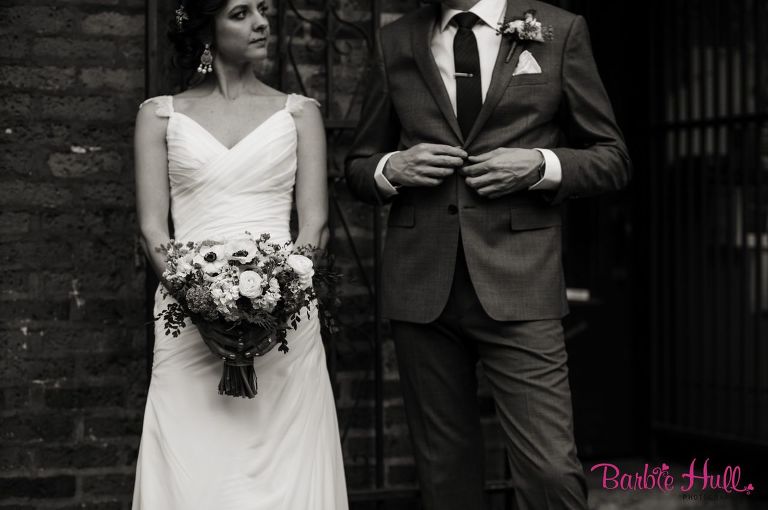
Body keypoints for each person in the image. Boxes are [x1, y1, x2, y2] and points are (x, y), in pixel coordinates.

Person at [345, 0, 631, 509]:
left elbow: (611, 159)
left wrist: (540, 165)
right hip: (421, 286)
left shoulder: (560, 30)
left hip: (521, 282)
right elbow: (358, 166)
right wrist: (392, 168)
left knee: (549, 470)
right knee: (444, 474)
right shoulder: (396, 40)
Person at [131, 0, 348, 507]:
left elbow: (313, 223)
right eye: (241, 12)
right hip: (187, 317)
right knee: (194, 466)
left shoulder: (299, 113)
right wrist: (200, 303)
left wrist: (280, 302)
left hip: (286, 316)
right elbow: (151, 227)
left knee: (286, 469)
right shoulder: (159, 115)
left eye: (265, 9)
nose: (261, 22)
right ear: (208, 28)